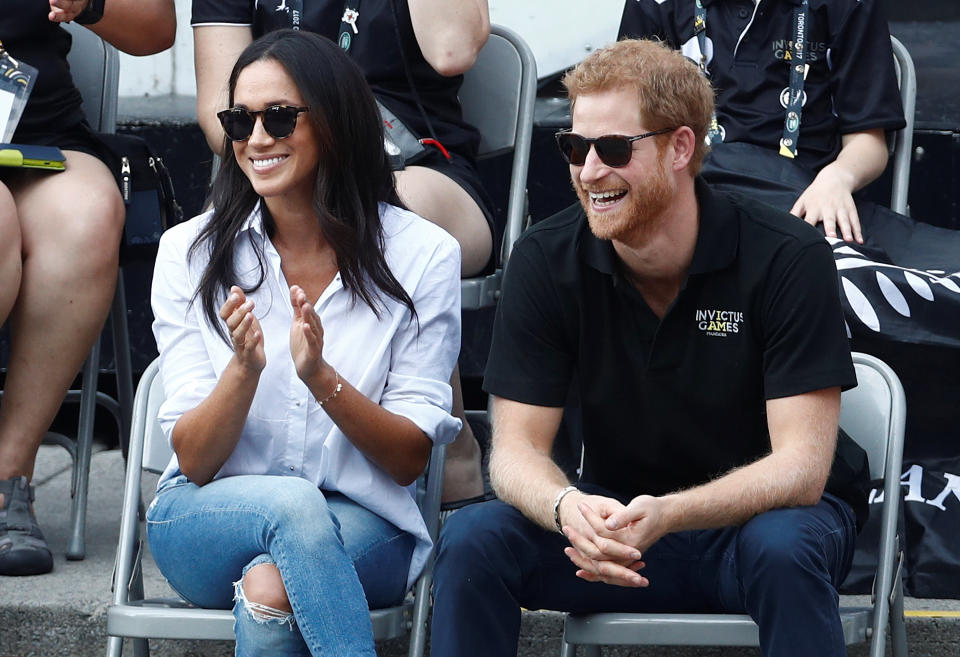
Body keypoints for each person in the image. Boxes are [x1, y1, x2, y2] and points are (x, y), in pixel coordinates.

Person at [431, 38, 868, 657]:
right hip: (613, 533)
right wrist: (565, 507)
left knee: (785, 547)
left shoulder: (786, 256)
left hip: (754, 529)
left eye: (612, 149)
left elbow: (800, 470)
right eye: (574, 148)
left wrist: (669, 514)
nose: (587, 173)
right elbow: (515, 453)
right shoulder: (545, 257)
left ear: (680, 148)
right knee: (475, 537)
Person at [147, 29, 462, 657]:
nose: (257, 139)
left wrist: (324, 380)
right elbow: (197, 461)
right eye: (239, 120)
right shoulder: (188, 252)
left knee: (272, 584)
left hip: (363, 521)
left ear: (337, 121)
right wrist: (243, 370)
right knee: (290, 505)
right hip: (205, 518)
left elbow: (407, 462)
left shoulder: (423, 255)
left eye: (280, 117)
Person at [190, 0, 491, 506]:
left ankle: (439, 447)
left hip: (421, 165)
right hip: (287, 157)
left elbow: (451, 49)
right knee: (218, 235)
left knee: (382, 216)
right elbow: (219, 116)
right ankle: (265, 468)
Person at [0, 0, 176, 577]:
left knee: (91, 214)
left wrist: (90, 4)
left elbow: (155, 28)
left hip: (38, 134)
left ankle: (8, 480)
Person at [619, 0, 905, 244]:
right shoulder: (655, 4)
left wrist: (838, 179)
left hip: (804, 200)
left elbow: (869, 141)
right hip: (689, 193)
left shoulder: (849, 4)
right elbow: (626, 125)